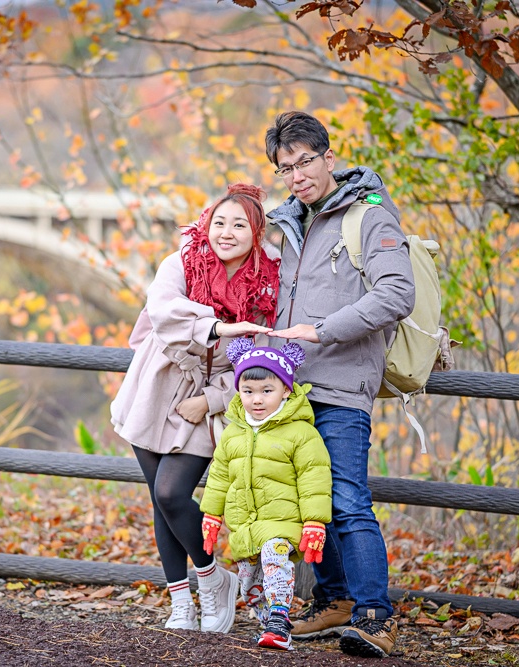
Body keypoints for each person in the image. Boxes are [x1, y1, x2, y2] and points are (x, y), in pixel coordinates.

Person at [263, 111, 416, 658]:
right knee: (310, 503)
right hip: (289, 390)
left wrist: (322, 331)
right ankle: (334, 601)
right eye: (287, 167)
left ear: (330, 158)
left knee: (348, 500)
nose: (298, 174)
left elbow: (398, 293)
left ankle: (377, 614)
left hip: (341, 386)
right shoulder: (290, 222)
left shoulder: (369, 215)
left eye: (307, 161)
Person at [110, 183, 280, 633]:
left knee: (171, 493)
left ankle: (212, 580)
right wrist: (222, 327)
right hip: (156, 386)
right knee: (160, 502)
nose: (226, 232)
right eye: (219, 222)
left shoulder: (269, 285)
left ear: (256, 231)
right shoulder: (183, 261)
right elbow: (164, 310)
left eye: (239, 224)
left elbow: (263, 359)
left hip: (207, 400)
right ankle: (182, 601)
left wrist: (213, 398)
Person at [199, 339, 332, 651]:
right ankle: (267, 621)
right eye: (248, 391)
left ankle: (279, 621)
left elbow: (315, 476)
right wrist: (212, 515)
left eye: (266, 391)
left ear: (286, 389)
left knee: (275, 559)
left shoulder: (301, 433)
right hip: (245, 524)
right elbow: (219, 476)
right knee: (250, 584)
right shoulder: (233, 432)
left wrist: (315, 521)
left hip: (282, 522)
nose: (256, 400)